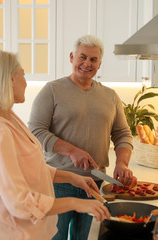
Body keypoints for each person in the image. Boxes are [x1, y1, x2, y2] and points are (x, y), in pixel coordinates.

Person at [0, 50, 110, 240]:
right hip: (12, 233)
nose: (25, 81)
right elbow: (20, 203)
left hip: (27, 231)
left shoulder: (7, 117)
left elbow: (30, 168)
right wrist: (76, 203)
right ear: (9, 79)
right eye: (23, 75)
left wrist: (71, 177)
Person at [28, 35, 134, 240]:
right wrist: (71, 151)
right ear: (71, 57)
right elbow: (35, 131)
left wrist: (122, 162)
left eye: (93, 60)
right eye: (82, 57)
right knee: (55, 237)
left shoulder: (110, 96)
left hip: (95, 183)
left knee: (85, 237)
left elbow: (122, 134)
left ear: (99, 64)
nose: (87, 64)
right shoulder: (52, 90)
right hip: (59, 182)